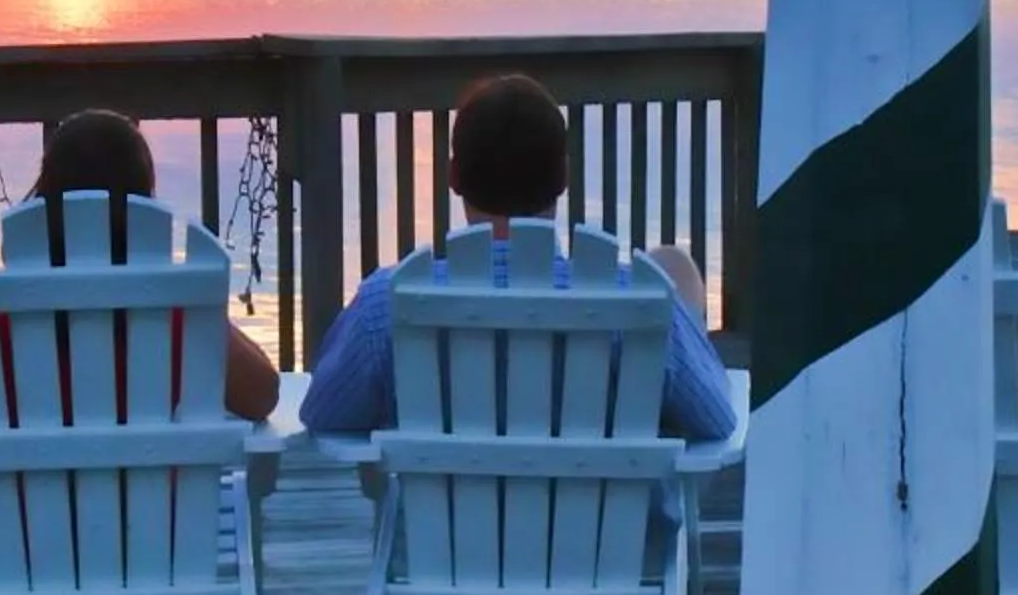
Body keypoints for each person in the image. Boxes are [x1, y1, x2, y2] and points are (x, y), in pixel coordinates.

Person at [0, 108, 279, 595]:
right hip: (157, 533)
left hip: (30, 542)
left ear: (44, 191)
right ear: (145, 196)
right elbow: (263, 395)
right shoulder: (174, 307)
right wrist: (195, 307)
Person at [299, 71, 738, 442]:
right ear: (564, 175)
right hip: (605, 544)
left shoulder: (388, 305)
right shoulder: (639, 304)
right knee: (674, 267)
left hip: (440, 545)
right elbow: (717, 421)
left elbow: (323, 414)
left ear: (453, 176)